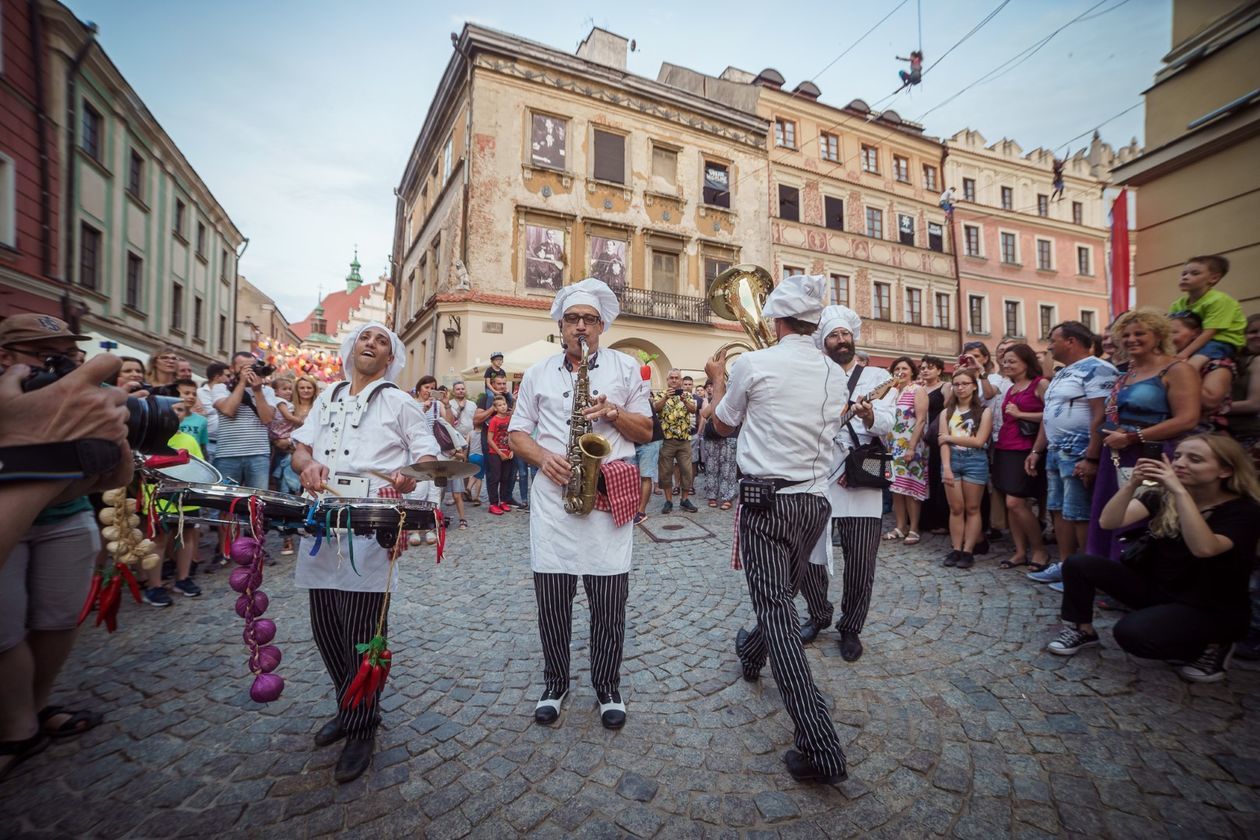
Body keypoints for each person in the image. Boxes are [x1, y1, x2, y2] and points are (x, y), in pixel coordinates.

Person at [702, 274, 849, 785]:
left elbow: (720, 425)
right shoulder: (836, 373)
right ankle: (749, 652)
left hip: (766, 504)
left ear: (775, 319)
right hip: (814, 502)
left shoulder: (754, 363)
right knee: (781, 594)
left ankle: (820, 744)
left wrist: (718, 379)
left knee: (776, 611)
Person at [290, 322, 436, 784]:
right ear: (351, 348)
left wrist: (410, 475)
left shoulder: (400, 400)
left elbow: (428, 455)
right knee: (326, 627)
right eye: (365, 337)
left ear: (391, 357)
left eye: (382, 341)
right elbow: (299, 447)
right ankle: (347, 707)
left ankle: (363, 726)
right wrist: (308, 463)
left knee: (362, 631)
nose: (371, 343)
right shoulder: (328, 395)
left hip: (370, 527)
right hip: (321, 521)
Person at [507, 278, 652, 730]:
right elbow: (516, 433)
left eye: (589, 320)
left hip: (608, 498)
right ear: (561, 325)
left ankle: (608, 685)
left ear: (602, 325)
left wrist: (614, 414)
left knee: (610, 600)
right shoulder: (537, 373)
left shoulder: (627, 368)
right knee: (552, 600)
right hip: (554, 499)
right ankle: (555, 681)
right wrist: (543, 457)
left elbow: (646, 432)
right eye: (573, 319)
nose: (581, 327)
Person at [0, 318, 131, 780]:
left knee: (55, 619)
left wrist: (114, 436)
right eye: (46, 357)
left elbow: (117, 475)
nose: (60, 369)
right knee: (5, 630)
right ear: (7, 358)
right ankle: (15, 727)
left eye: (68, 359)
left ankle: (33, 710)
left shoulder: (75, 403)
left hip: (66, 519)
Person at [1047, 434, 1260, 683]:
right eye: (1177, 456)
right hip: (1161, 589)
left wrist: (1180, 493)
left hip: (1209, 605)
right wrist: (1130, 485)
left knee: (1132, 635)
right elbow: (1109, 521)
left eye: (1195, 459)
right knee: (1079, 563)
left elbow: (1204, 548)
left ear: (1225, 470)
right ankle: (1081, 629)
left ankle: (1213, 644)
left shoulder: (1244, 510)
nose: (1180, 463)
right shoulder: (1162, 495)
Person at [800, 305, 894, 662]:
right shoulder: (815, 374)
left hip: (861, 473)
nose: (841, 341)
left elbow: (888, 422)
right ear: (823, 342)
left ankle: (851, 627)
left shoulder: (876, 377)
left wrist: (871, 415)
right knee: (808, 552)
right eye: (834, 336)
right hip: (821, 473)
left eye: (845, 334)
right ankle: (819, 612)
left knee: (861, 560)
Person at [1087, 309, 1200, 563]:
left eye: (1140, 333)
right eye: (1125, 335)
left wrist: (1132, 437)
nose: (1131, 339)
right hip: (1115, 453)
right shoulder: (1128, 373)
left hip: (1152, 454)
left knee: (1141, 516)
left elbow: (1187, 419)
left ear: (1158, 335)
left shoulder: (1178, 369)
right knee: (1111, 512)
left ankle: (1136, 578)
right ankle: (1107, 573)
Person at [1024, 322, 1117, 586]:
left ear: (1071, 342)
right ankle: (1067, 566)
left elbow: (1101, 414)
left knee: (1079, 512)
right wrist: (1037, 450)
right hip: (1055, 450)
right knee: (1058, 510)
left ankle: (1085, 571)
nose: (1049, 346)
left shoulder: (1098, 369)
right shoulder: (1064, 373)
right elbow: (1049, 415)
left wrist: (1091, 457)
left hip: (1079, 450)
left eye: (1053, 340)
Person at [994, 345, 1048, 570]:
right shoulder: (1012, 387)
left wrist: (1021, 414)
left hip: (1026, 449)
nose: (1006, 365)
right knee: (1012, 504)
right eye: (1004, 361)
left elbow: (1051, 415)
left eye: (1012, 361)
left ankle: (1039, 550)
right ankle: (1019, 551)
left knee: (1016, 502)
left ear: (1026, 361)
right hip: (1005, 447)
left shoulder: (1040, 384)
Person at [938, 369, 994, 570]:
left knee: (972, 508)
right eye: (956, 384)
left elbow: (979, 441)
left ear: (973, 386)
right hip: (951, 460)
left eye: (964, 383)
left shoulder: (984, 412)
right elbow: (941, 442)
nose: (960, 388)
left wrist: (949, 438)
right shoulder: (947, 412)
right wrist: (946, 467)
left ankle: (968, 550)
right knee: (956, 508)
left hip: (975, 461)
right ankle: (956, 548)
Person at [1169, 255, 1245, 372]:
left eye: (1194, 273)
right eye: (1184, 274)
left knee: (1192, 365)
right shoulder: (1178, 304)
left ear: (1213, 278)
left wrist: (1183, 354)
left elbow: (1209, 332)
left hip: (1221, 341)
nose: (1186, 277)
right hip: (1193, 341)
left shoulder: (1219, 300)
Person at [211, 352, 276, 490]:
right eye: (243, 367)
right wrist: (241, 383)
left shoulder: (267, 391)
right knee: (221, 500)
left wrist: (257, 391)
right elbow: (229, 410)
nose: (249, 371)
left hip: (259, 454)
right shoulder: (220, 388)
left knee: (256, 501)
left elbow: (267, 419)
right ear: (232, 368)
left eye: (251, 367)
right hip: (227, 454)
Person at [1169, 310, 1235, 432]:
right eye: (1164, 334)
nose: (1168, 338)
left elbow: (1209, 401)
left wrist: (1182, 374)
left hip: (1204, 434)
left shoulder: (1216, 363)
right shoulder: (1164, 361)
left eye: (1174, 332)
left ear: (1197, 333)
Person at [886, 356, 928, 544]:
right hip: (893, 446)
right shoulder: (892, 392)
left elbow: (920, 420)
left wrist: (911, 447)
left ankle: (914, 528)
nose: (900, 372)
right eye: (896, 369)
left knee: (911, 487)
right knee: (896, 488)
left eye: (904, 368)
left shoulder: (917, 390)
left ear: (912, 371)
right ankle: (900, 526)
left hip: (911, 445)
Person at [654, 369, 698, 514]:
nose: (674, 380)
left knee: (687, 471)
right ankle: (668, 501)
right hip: (667, 440)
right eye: (671, 378)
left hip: (684, 440)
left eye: (676, 378)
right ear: (667, 380)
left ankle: (684, 500)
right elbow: (656, 408)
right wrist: (665, 398)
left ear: (680, 380)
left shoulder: (687, 395)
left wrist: (685, 400)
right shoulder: (661, 394)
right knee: (665, 472)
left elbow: (693, 410)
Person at [701, 381, 739, 510]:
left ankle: (727, 498)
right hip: (712, 436)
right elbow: (704, 414)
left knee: (728, 469)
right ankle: (712, 496)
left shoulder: (734, 400)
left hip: (730, 436)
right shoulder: (714, 400)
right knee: (711, 468)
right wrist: (717, 401)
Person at [445, 380, 479, 505]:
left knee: (467, 466)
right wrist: (459, 409)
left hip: (470, 437)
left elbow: (475, 420)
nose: (461, 391)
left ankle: (465, 492)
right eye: (458, 389)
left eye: (462, 389)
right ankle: (453, 494)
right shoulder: (450, 404)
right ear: (453, 392)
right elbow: (451, 420)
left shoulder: (472, 404)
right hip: (455, 438)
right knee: (455, 466)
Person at [486, 394, 515, 515]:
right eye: (499, 405)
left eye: (504, 404)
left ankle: (503, 501)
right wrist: (499, 452)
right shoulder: (494, 420)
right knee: (495, 478)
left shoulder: (510, 419)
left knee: (505, 478)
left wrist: (512, 450)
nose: (503, 407)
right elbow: (489, 439)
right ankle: (493, 503)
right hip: (495, 453)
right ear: (495, 408)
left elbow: (513, 435)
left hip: (508, 452)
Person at [198, 363, 228, 461]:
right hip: (206, 443)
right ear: (217, 377)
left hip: (226, 445)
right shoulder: (198, 393)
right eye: (227, 376)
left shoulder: (230, 393)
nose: (230, 379)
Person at [174, 378, 210, 456]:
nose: (191, 396)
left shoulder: (202, 420)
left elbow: (203, 447)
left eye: (194, 394)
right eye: (187, 393)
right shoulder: (168, 418)